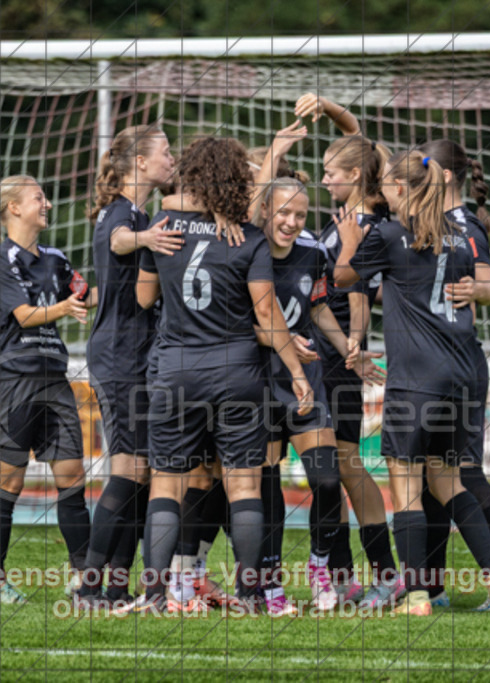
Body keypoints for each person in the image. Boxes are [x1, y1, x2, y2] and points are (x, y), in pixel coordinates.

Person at [126, 136, 313, 614]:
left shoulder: (161, 227)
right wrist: (296, 370)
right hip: (237, 371)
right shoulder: (247, 237)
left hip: (176, 371)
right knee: (245, 485)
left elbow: (145, 300)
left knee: (166, 483)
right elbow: (267, 311)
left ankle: (153, 595)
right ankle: (252, 597)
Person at [334, 149, 490, 616]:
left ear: (400, 189)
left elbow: (342, 278)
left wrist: (349, 241)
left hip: (416, 377)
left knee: (406, 485)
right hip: (460, 375)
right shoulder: (460, 235)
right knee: (450, 480)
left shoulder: (390, 234)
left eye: (387, 187)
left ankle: (416, 596)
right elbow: (476, 291)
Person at [0, 175, 94, 605]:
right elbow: (23, 315)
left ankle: (84, 577)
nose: (47, 204)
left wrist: (93, 294)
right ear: (14, 208)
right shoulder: (1, 260)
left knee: (72, 477)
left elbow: (84, 292)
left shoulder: (55, 256)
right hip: (13, 382)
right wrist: (64, 308)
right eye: (39, 198)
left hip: (55, 380)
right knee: (10, 482)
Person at [254, 176, 385, 616]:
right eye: (283, 213)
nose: (291, 223)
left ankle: (319, 566)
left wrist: (348, 343)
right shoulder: (247, 251)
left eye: (300, 214)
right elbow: (238, 319)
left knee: (327, 481)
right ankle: (268, 583)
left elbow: (316, 305)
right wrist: (282, 339)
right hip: (260, 380)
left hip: (307, 379)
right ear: (265, 211)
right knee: (266, 490)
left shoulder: (313, 252)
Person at [293, 93, 400, 607]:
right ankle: (344, 576)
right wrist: (331, 109)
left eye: (331, 172)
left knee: (345, 465)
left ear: (355, 176)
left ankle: (381, 573)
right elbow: (359, 137)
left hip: (335, 359)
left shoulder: (367, 226)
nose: (325, 179)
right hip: (323, 353)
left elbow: (355, 286)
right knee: (334, 468)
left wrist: (356, 342)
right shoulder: (344, 221)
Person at [416, 139, 490, 611]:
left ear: (443, 176)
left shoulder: (463, 225)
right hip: (442, 363)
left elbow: (489, 287)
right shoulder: (430, 223)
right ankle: (433, 587)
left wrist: (476, 288)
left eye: (423, 167)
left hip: (458, 364)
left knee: (464, 474)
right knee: (432, 476)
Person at [76, 125, 180, 608]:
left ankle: (116, 585)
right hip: (119, 357)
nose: (171, 158)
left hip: (137, 356)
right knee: (128, 468)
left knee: (140, 471)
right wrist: (147, 238)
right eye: (164, 152)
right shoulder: (122, 212)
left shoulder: (140, 211)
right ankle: (89, 584)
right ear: (139, 162)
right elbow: (119, 240)